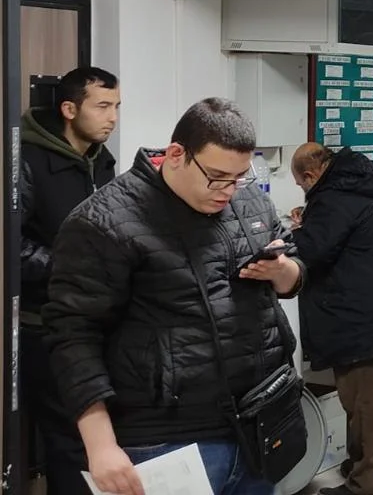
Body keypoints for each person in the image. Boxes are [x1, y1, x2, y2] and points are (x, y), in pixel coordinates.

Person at [43, 98, 303, 495]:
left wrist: (284, 272)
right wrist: (100, 445)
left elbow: (292, 273)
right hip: (165, 438)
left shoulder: (248, 199)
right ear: (176, 154)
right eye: (216, 177)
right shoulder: (104, 221)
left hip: (259, 420)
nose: (227, 191)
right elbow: (73, 335)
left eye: (238, 177)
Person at [290, 144, 373, 495]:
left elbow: (310, 251)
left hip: (364, 323)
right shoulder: (370, 181)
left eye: (302, 185)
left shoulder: (334, 199)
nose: (304, 190)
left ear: (310, 175)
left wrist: (298, 231)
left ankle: (366, 486)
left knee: (368, 410)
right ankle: (364, 467)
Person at [19, 66, 120, 495]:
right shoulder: (28, 161)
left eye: (116, 107)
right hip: (44, 323)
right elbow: (11, 246)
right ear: (69, 109)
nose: (112, 117)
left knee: (97, 438)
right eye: (102, 106)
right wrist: (65, 267)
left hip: (95, 321)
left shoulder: (102, 161)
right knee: (70, 441)